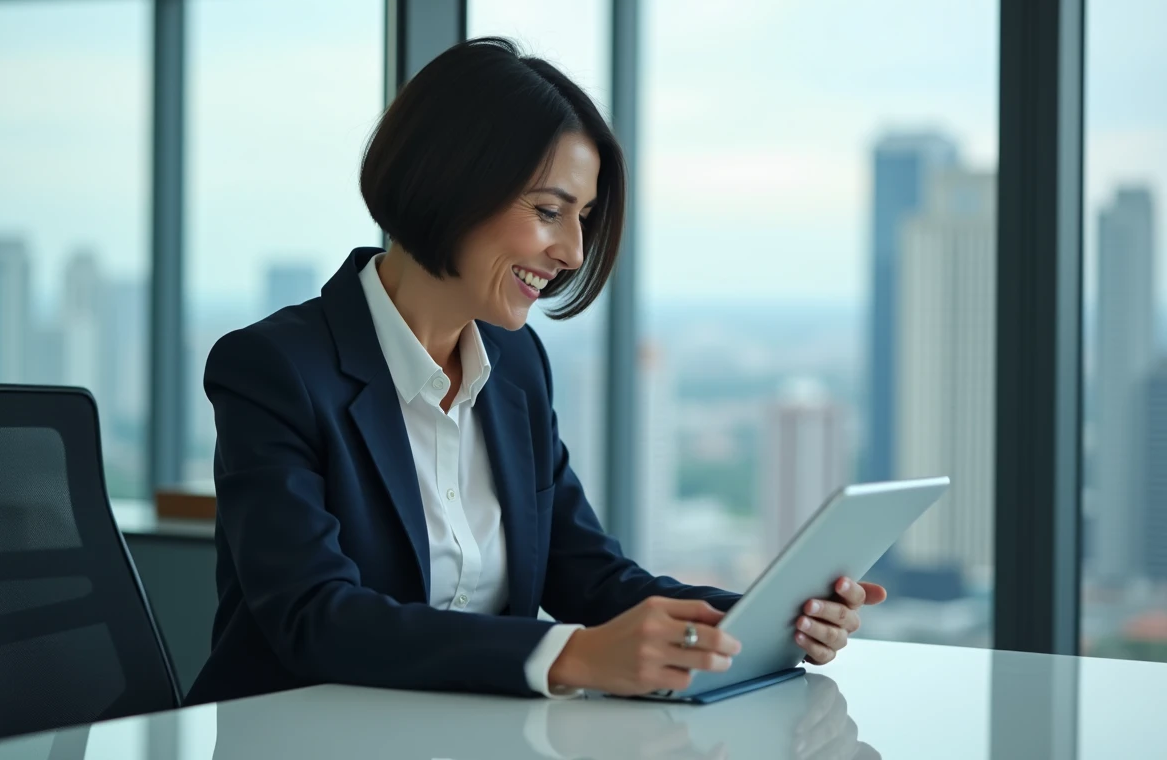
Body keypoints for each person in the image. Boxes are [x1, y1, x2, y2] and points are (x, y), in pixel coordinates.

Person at [184, 37, 886, 707]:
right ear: (451, 183)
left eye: (582, 217)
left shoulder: (514, 366)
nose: (574, 252)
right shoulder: (276, 368)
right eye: (550, 211)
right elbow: (315, 617)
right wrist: (570, 655)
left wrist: (761, 618)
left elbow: (589, 576)